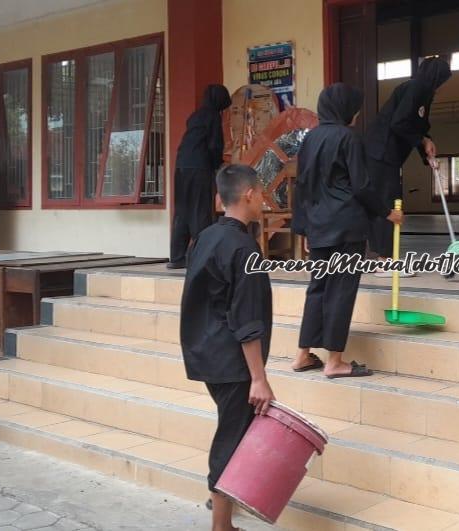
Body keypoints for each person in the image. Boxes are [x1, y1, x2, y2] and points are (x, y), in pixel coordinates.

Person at [180, 164, 275, 531]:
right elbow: (246, 319)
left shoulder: (205, 237)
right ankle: (222, 526)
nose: (264, 198)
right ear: (249, 194)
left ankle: (222, 507)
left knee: (233, 430)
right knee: (232, 439)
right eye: (261, 191)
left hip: (205, 352)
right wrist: (258, 378)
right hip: (232, 361)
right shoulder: (244, 248)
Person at [290, 83, 403, 378]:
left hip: (318, 226)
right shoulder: (348, 138)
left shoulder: (309, 139)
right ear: (345, 110)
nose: (355, 115)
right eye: (354, 109)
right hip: (345, 226)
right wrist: (387, 212)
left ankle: (303, 355)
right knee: (340, 290)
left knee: (318, 288)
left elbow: (301, 186)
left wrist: (302, 228)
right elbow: (362, 185)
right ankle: (335, 361)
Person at [364, 57, 452, 275]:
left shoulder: (422, 92)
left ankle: (382, 259)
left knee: (389, 201)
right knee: (388, 204)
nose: (442, 86)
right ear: (436, 76)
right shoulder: (415, 88)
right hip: (380, 153)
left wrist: (427, 151)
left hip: (386, 156)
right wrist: (423, 141)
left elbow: (418, 127)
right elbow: (399, 123)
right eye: (442, 80)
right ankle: (384, 262)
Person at [168, 84, 232, 269]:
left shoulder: (195, 115)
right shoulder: (213, 117)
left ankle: (177, 257)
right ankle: (203, 255)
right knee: (200, 210)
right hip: (199, 169)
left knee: (182, 211)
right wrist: (217, 165)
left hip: (181, 167)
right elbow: (214, 146)